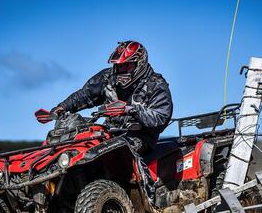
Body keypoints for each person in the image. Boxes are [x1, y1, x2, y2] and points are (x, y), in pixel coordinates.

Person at [39, 40, 173, 155]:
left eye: (127, 65)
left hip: (140, 137)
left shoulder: (156, 84)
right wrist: (62, 107)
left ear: (140, 64)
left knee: (113, 152)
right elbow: (85, 94)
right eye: (118, 66)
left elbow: (161, 118)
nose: (121, 70)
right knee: (78, 145)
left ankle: (144, 183)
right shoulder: (107, 77)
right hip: (109, 132)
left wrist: (130, 109)